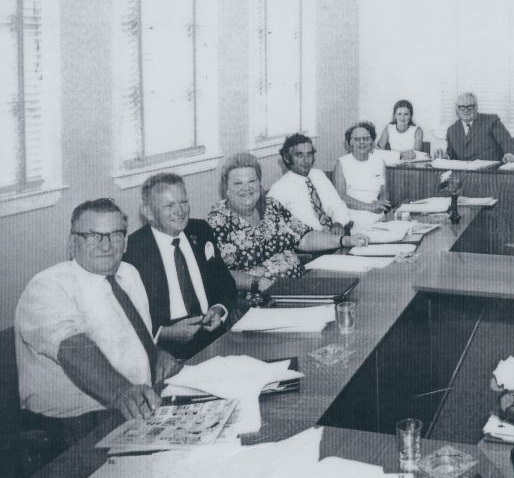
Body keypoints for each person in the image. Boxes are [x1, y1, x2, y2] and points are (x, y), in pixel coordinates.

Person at [15, 199, 179, 431]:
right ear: (72, 243)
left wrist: (155, 356)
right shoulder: (46, 286)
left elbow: (131, 339)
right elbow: (74, 350)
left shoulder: (129, 273)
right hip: (73, 424)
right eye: (93, 236)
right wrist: (121, 392)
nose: (106, 246)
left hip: (138, 404)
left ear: (125, 242)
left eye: (115, 235)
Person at [208, 153, 368, 293]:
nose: (247, 188)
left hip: (299, 285)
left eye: (252, 181)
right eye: (238, 183)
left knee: (356, 288)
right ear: (226, 188)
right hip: (260, 297)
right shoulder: (217, 221)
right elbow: (218, 273)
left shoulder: (271, 206)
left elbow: (305, 238)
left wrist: (345, 240)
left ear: (259, 183)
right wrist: (259, 283)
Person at [124, 173, 238, 359]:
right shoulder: (132, 251)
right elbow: (126, 315)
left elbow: (225, 283)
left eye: (183, 202)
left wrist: (219, 309)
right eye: (169, 206)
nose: (180, 211)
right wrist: (163, 333)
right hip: (166, 351)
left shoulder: (200, 230)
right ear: (148, 212)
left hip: (214, 338)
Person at [268, 133, 380, 232]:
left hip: (337, 236)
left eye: (309, 154)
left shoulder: (318, 175)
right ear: (287, 158)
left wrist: (338, 223)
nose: (306, 160)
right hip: (311, 242)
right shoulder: (278, 190)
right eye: (299, 155)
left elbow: (337, 205)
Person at [333, 122, 392, 215]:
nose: (362, 142)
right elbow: (341, 196)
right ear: (350, 142)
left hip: (376, 212)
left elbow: (384, 191)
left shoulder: (379, 162)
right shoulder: (341, 163)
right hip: (351, 214)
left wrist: (381, 204)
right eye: (357, 139)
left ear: (371, 141)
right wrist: (368, 207)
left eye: (366, 138)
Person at [445, 93, 514, 162]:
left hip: (491, 169)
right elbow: (451, 156)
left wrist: (509, 154)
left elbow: (506, 140)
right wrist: (444, 157)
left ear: (476, 107)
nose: (466, 110)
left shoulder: (491, 121)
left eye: (470, 106)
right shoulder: (451, 130)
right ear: (457, 109)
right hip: (464, 170)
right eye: (462, 107)